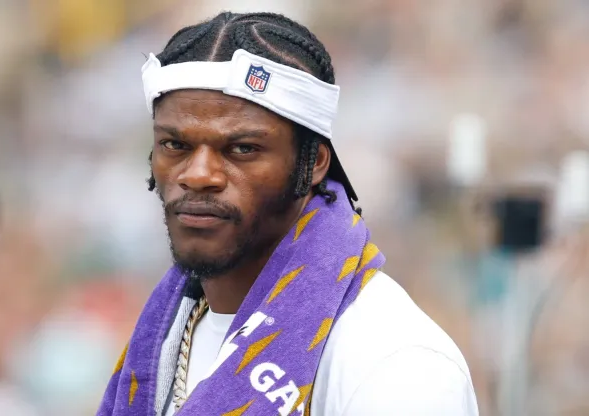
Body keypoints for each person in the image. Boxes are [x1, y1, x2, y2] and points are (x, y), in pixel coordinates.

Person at [98, 11, 478, 416]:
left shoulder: (393, 363)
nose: (198, 175)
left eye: (242, 148)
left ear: (313, 162)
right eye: (175, 145)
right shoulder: (165, 333)